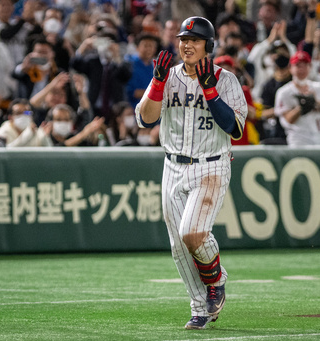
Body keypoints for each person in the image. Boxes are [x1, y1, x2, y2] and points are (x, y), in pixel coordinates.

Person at [135, 16, 247, 330]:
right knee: (178, 245)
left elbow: (235, 128)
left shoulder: (225, 80)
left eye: (195, 40)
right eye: (184, 39)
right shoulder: (166, 76)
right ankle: (201, 308)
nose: (187, 45)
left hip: (210, 164)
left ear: (207, 46)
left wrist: (211, 93)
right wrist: (156, 84)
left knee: (193, 233)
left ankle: (217, 279)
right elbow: (144, 120)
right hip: (172, 165)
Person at [274, 50, 320, 146]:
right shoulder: (284, 92)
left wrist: (316, 102)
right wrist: (301, 107)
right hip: (299, 139)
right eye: (298, 65)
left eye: (305, 65)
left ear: (310, 67)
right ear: (290, 68)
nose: (301, 69)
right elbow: (287, 120)